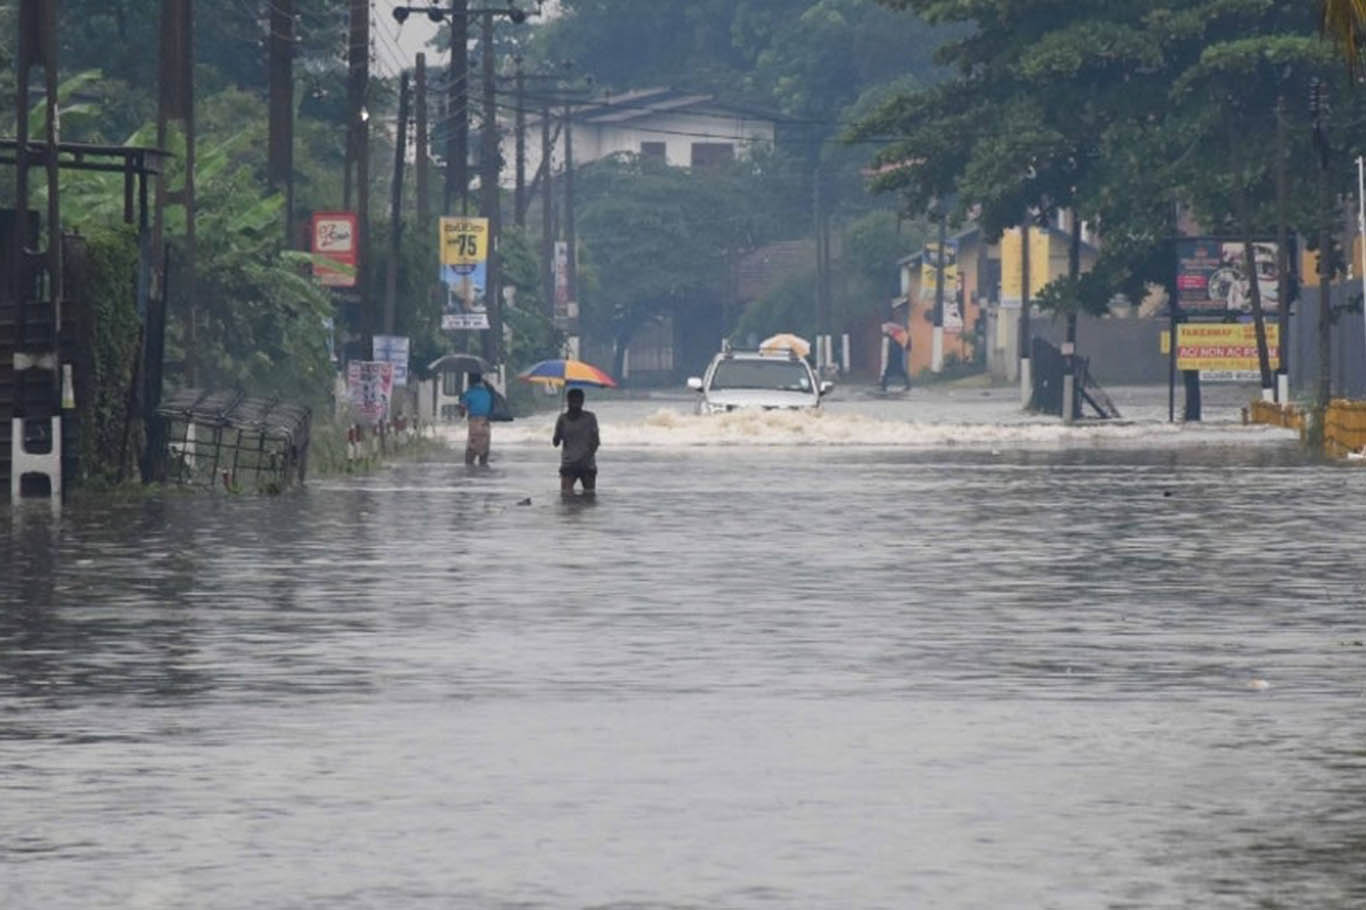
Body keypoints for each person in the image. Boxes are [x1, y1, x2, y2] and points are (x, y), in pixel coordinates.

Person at [553, 387, 600, 495]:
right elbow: (555, 442)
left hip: (587, 465)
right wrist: (558, 431)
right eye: (574, 400)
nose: (576, 403)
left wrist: (586, 458)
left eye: (579, 400)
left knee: (589, 499)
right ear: (568, 401)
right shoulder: (562, 419)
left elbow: (596, 442)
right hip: (568, 465)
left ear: (582, 401)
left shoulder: (590, 418)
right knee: (566, 499)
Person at [458, 372, 493, 466]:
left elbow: (462, 413)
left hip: (475, 425)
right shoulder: (487, 393)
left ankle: (472, 477)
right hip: (486, 425)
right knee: (484, 457)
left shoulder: (469, 393)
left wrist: (461, 400)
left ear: (469, 381)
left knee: (469, 459)